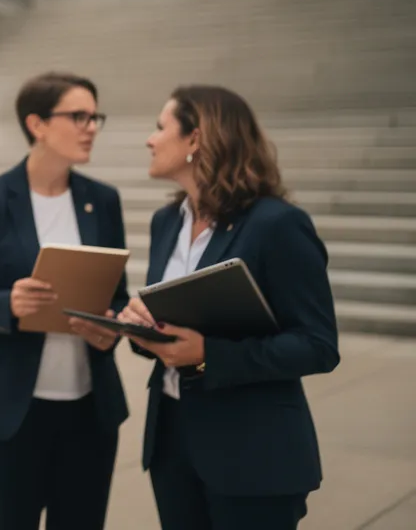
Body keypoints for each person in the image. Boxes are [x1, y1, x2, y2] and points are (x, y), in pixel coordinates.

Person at [109, 85, 340, 529]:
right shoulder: (165, 223)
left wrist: (208, 354)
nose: (150, 139)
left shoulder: (277, 224)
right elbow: (175, 331)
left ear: (195, 139)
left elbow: (317, 345)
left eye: (160, 128)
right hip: (173, 443)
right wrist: (142, 329)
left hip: (253, 452)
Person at [0, 72, 131, 530]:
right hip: (7, 411)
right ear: (37, 124)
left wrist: (111, 326)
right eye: (79, 116)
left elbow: (118, 296)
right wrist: (8, 304)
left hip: (89, 408)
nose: (91, 127)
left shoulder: (102, 201)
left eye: (95, 117)